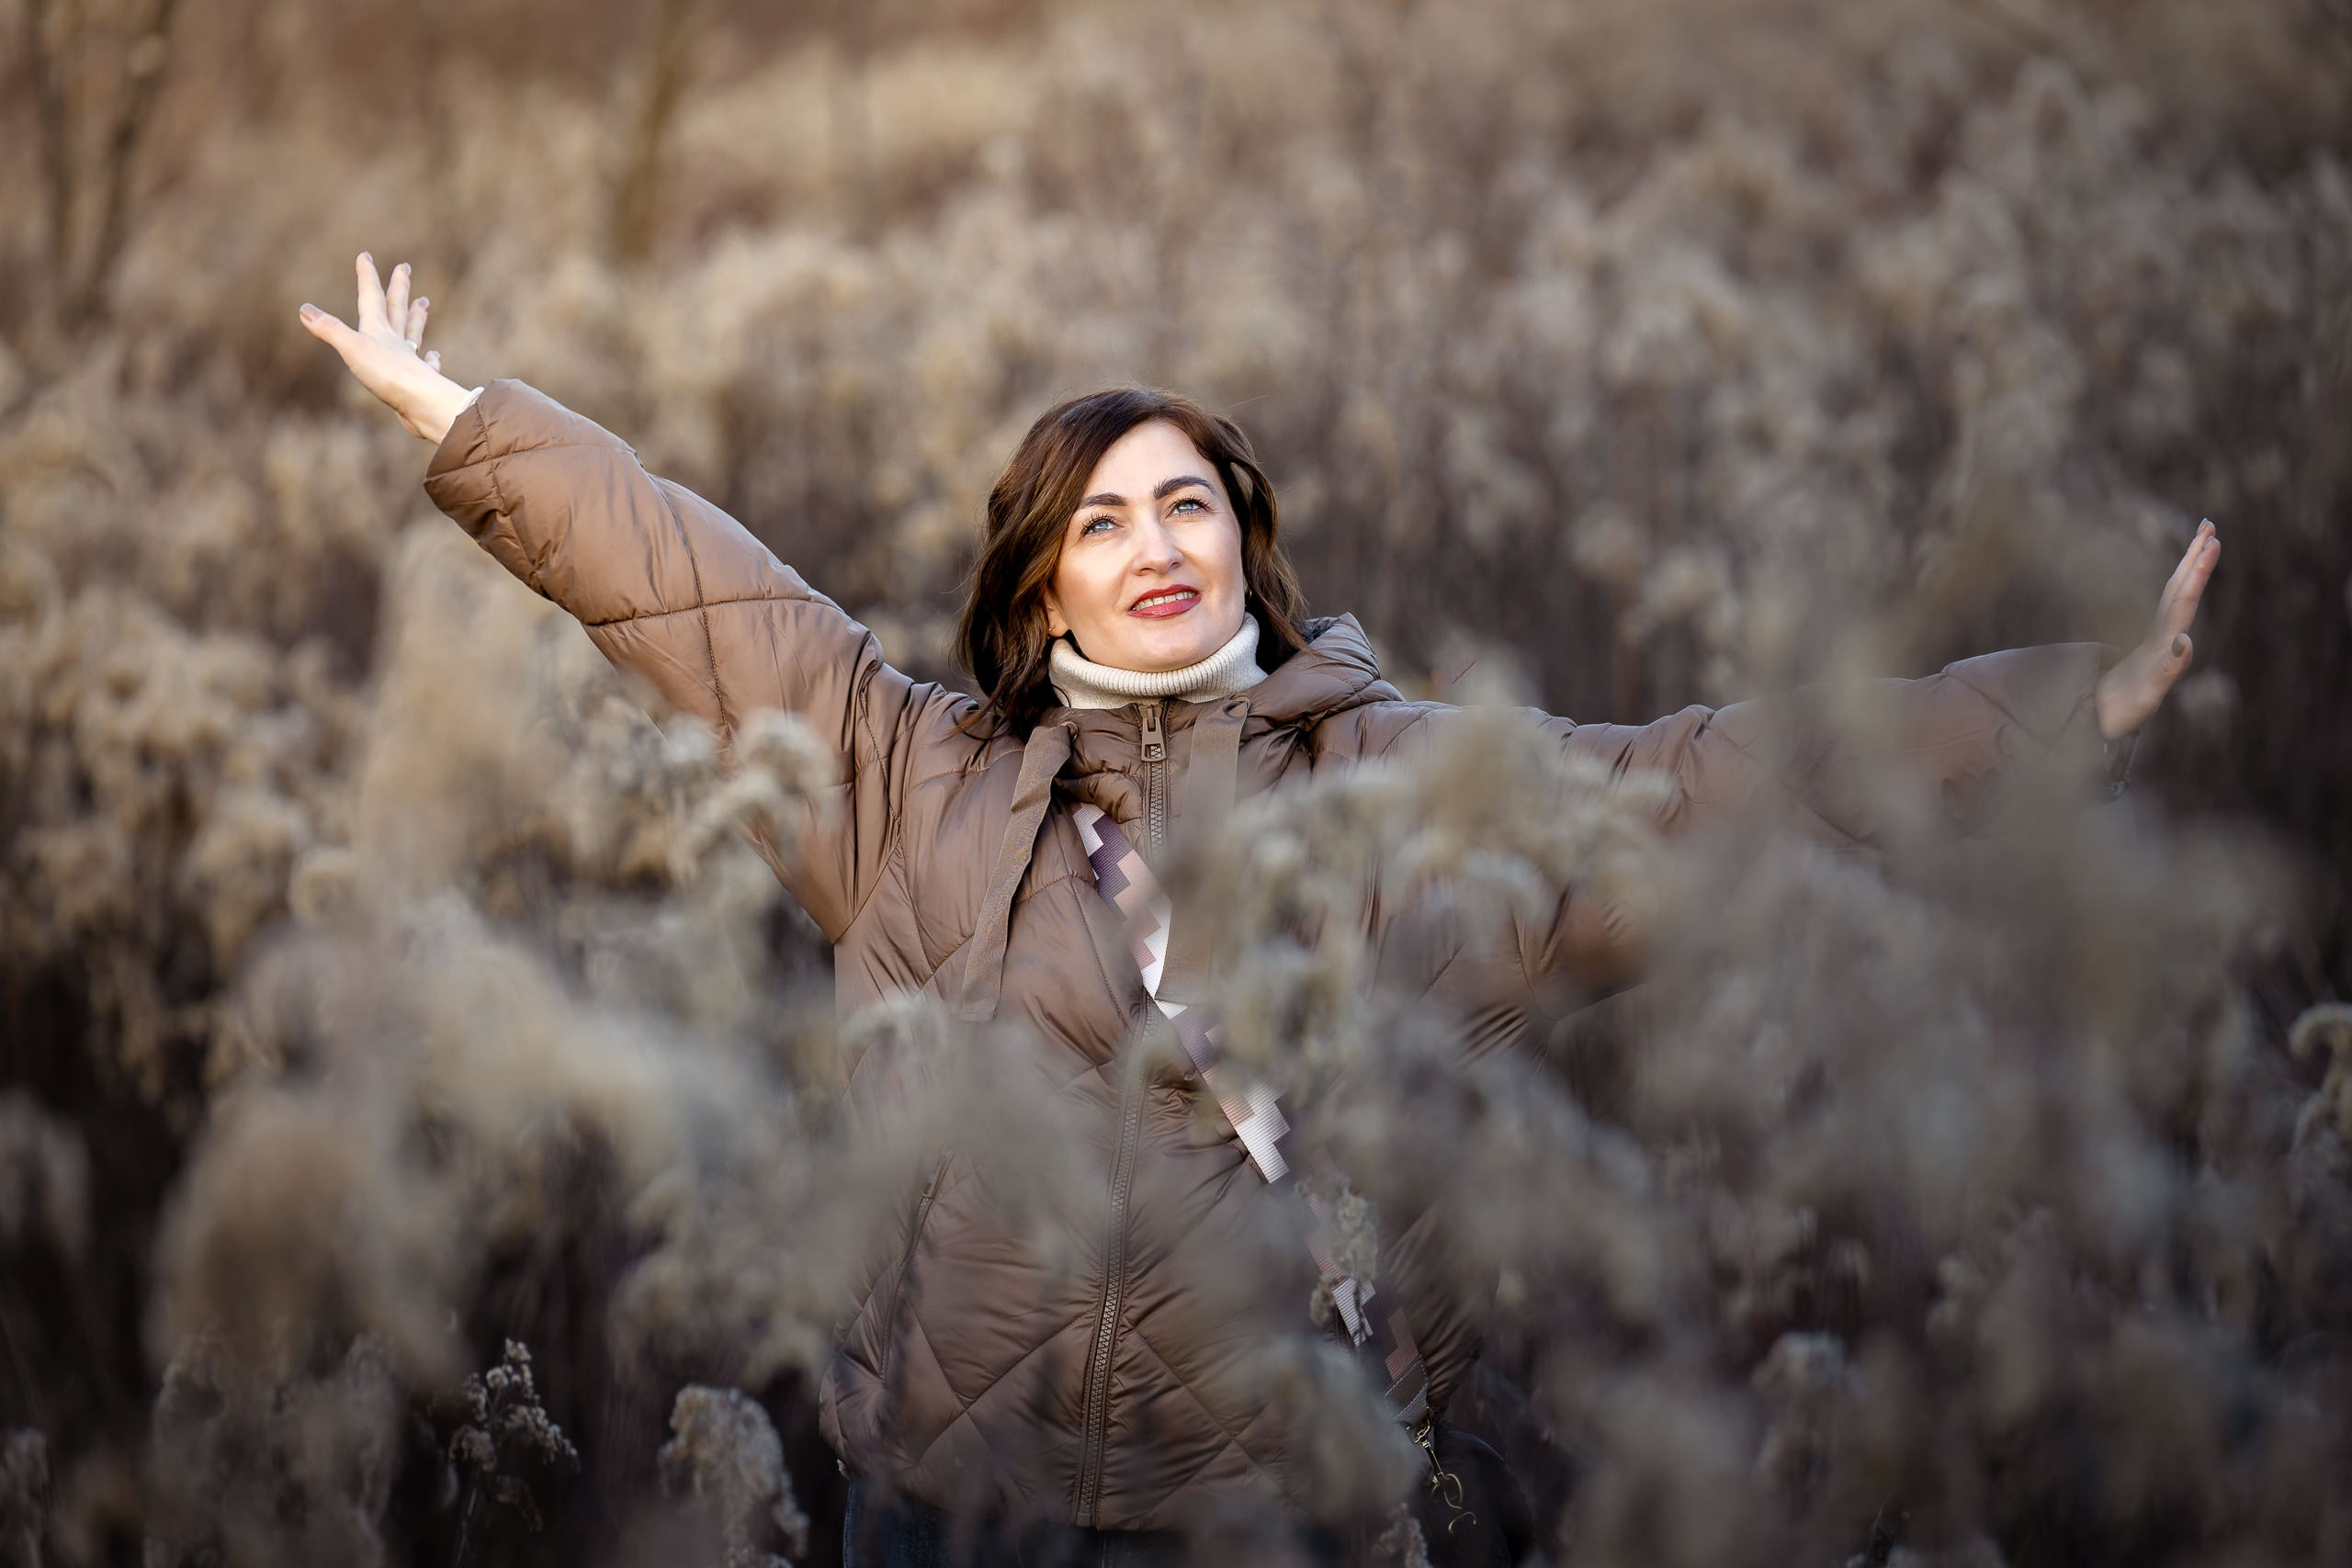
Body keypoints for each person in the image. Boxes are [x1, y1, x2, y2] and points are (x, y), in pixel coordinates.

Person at [300, 253, 2219, 1562]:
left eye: (1188, 505)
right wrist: (468, 422)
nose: (1153, 546)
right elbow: (699, 594)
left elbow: (1715, 777)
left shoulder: (1396, 784)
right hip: (953, 1501)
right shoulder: (905, 776)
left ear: (1246, 544)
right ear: (1038, 585)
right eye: (1101, 519)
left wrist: (2054, 703)